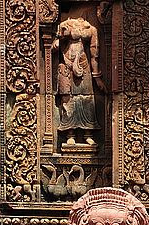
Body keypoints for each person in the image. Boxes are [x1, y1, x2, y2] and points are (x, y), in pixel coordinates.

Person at [53, 17, 104, 148]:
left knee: (87, 98)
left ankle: (88, 134)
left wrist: (97, 76)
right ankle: (70, 134)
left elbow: (94, 54)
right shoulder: (65, 25)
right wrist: (58, 41)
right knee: (68, 99)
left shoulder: (91, 29)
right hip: (66, 64)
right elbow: (55, 45)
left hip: (84, 65)